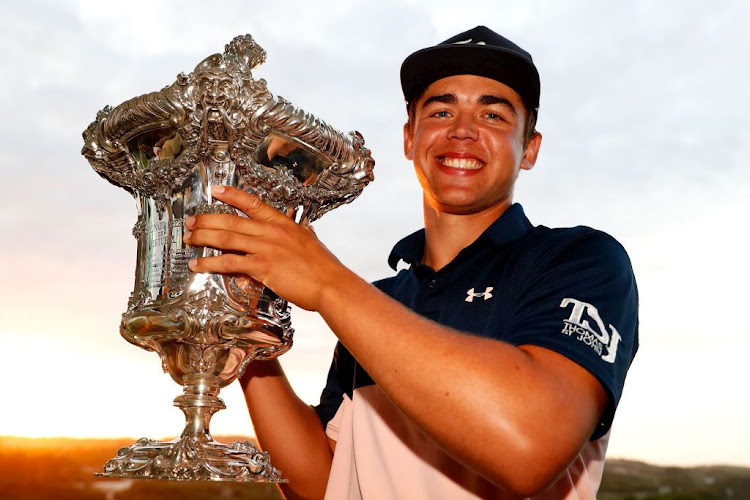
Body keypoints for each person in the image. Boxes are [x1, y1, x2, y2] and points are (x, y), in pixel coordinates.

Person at [183, 25, 639, 500]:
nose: (463, 130)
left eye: (494, 115)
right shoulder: (379, 302)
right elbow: (322, 482)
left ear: (529, 149)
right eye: (441, 110)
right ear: (409, 138)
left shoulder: (578, 260)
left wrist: (328, 284)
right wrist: (250, 346)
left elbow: (529, 446)